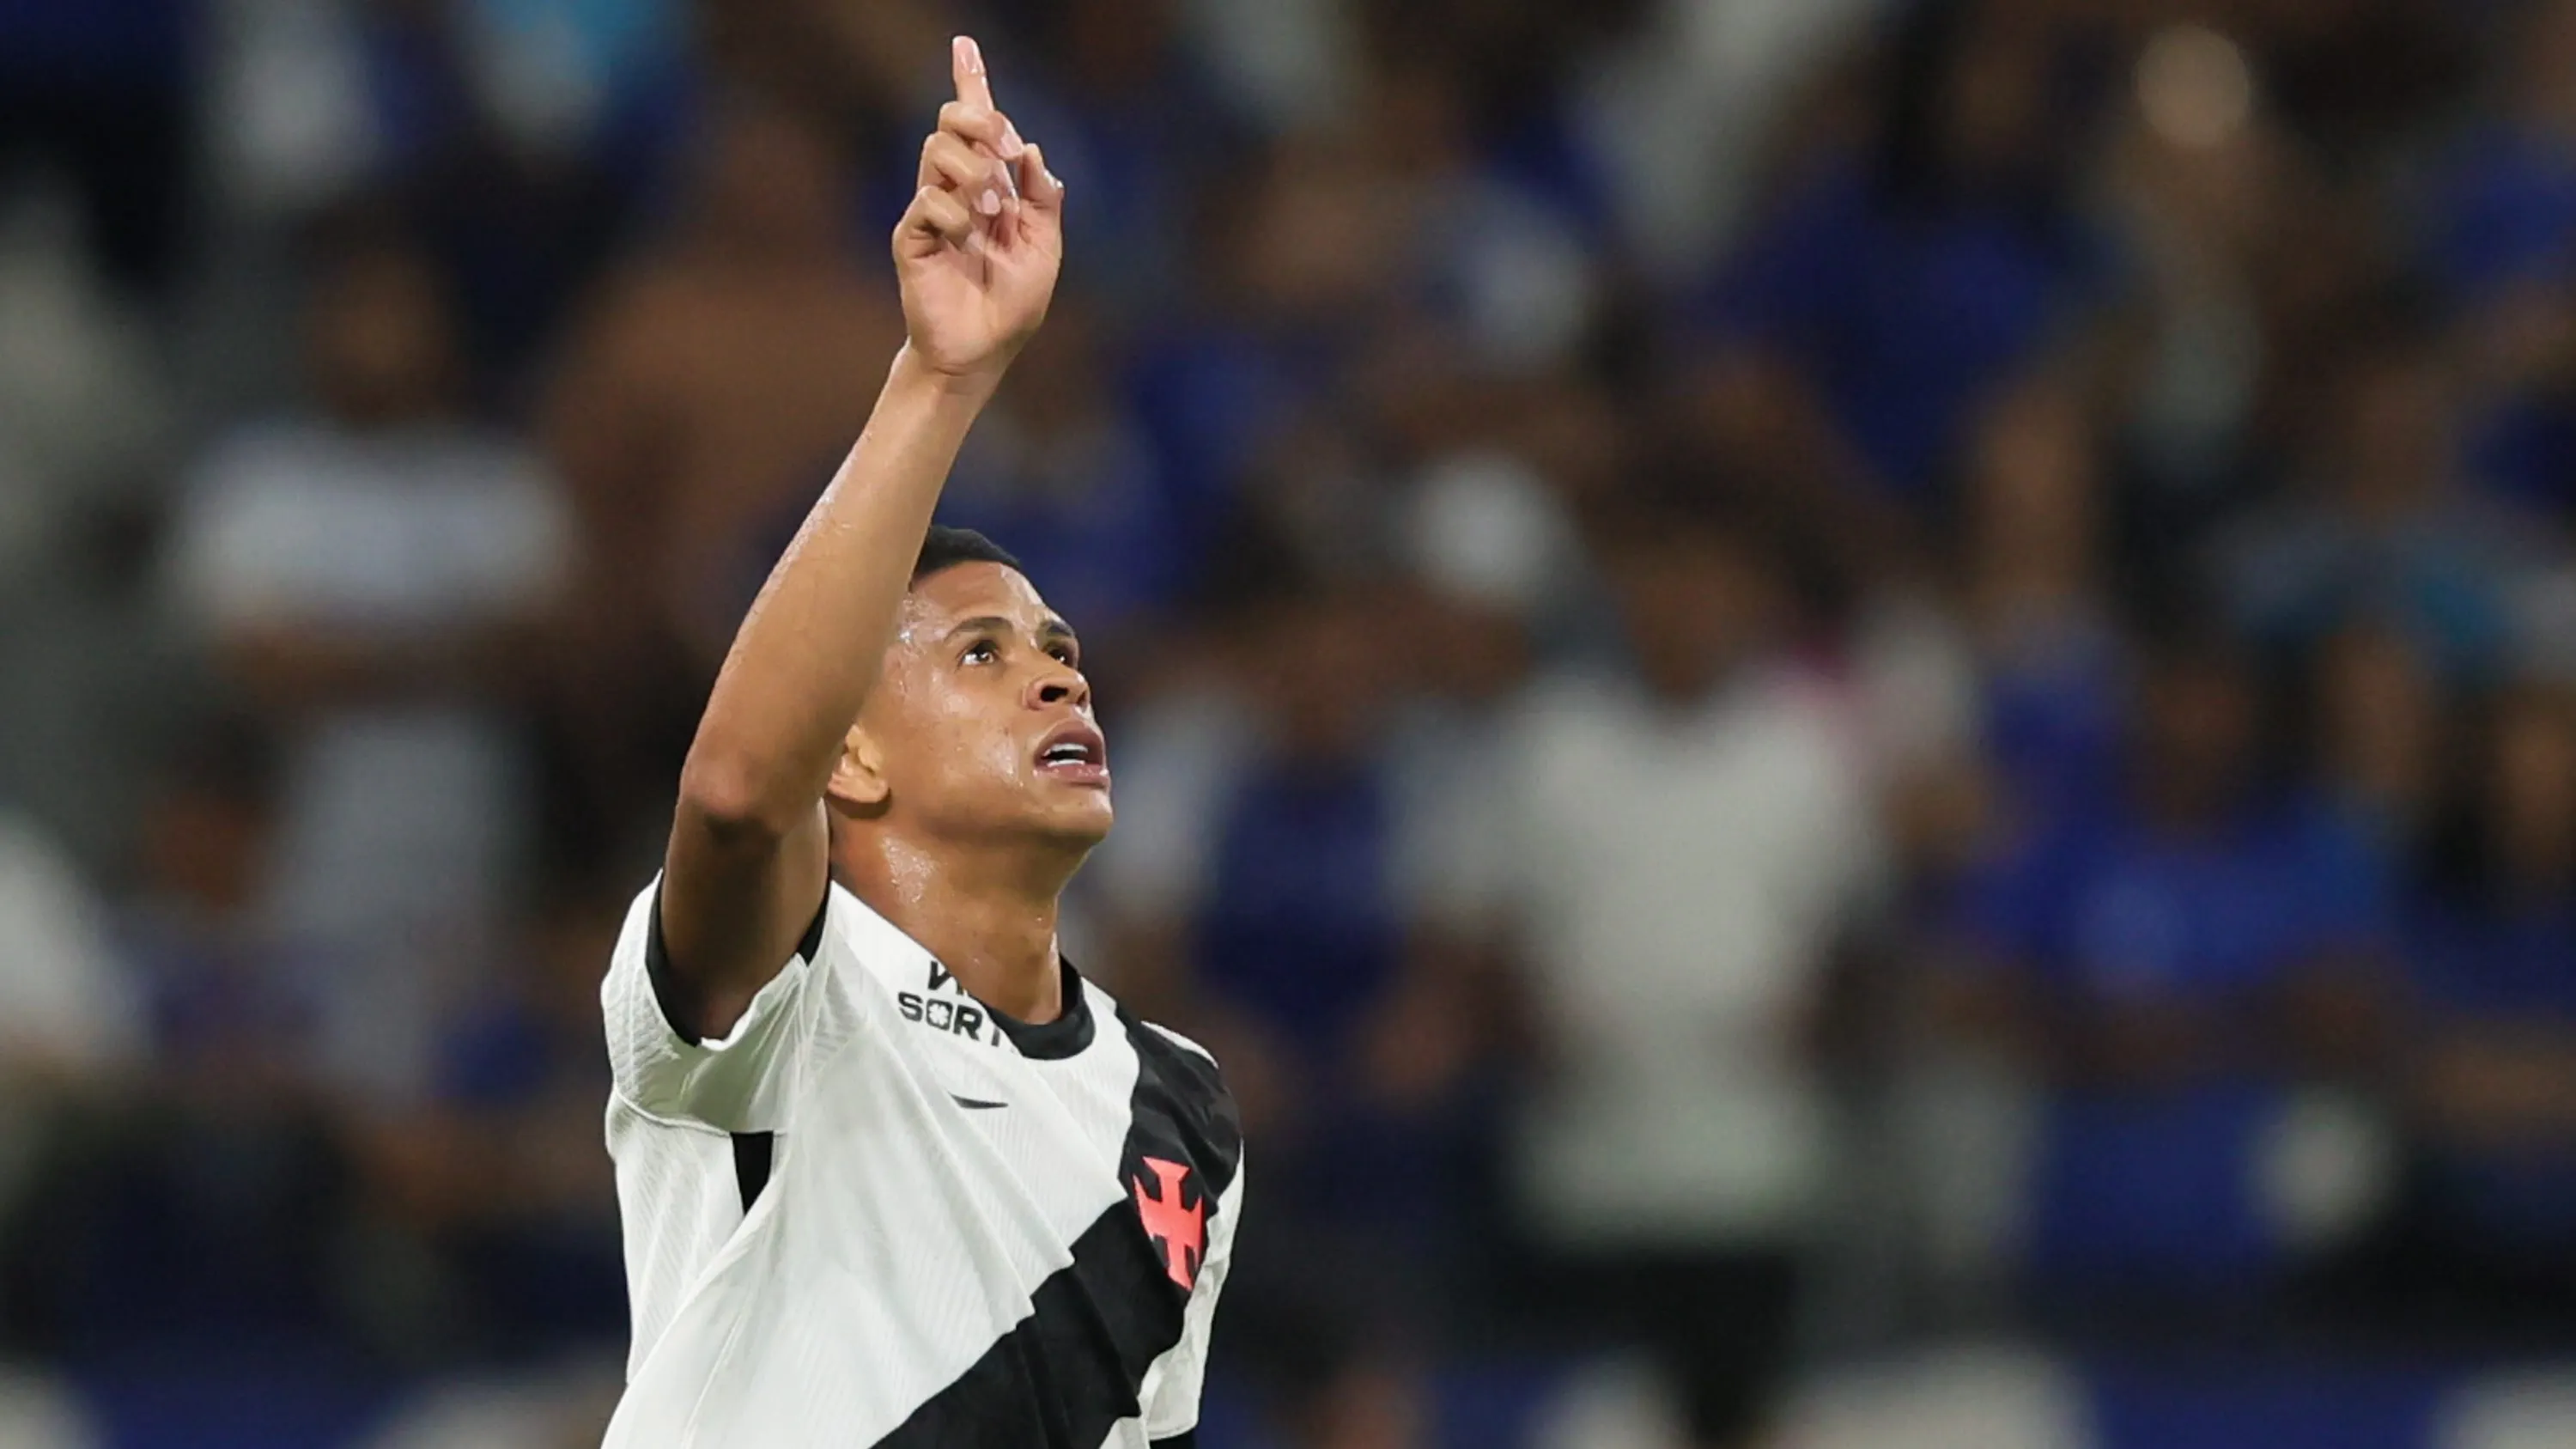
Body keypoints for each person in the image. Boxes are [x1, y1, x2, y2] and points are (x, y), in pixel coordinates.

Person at [598, 39, 1241, 1449]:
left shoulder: (1179, 1108)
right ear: (851, 756)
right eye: (981, 653)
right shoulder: (789, 984)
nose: (1059, 676)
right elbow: (734, 794)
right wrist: (941, 377)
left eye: (1060, 648)